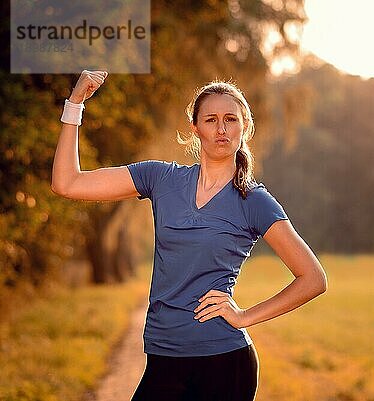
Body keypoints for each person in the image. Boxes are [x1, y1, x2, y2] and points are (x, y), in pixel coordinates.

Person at [51, 70, 328, 401]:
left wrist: (244, 317)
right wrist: (75, 104)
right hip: (162, 355)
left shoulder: (253, 200)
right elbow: (67, 183)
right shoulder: (160, 178)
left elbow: (313, 278)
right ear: (195, 128)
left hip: (223, 363)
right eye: (211, 119)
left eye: (231, 119)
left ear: (245, 128)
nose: (221, 129)